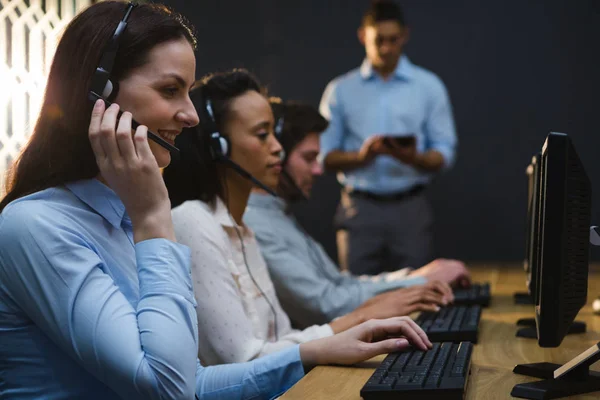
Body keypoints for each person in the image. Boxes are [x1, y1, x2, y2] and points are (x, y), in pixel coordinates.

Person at [0, 3, 431, 399]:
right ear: (99, 95)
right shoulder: (37, 225)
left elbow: (191, 380)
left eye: (188, 92)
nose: (189, 116)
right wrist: (153, 217)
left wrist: (315, 352)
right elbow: (167, 387)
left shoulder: (126, 220)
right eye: (170, 90)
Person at [163, 69, 434, 368]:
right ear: (218, 148)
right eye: (262, 135)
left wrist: (360, 324)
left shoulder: (242, 229)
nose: (277, 148)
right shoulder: (192, 222)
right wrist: (360, 318)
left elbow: (282, 336)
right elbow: (242, 360)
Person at [245, 101, 469, 328]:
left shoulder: (277, 215)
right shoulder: (256, 224)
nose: (318, 169)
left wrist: (417, 277)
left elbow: (341, 284)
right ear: (276, 156)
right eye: (309, 158)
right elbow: (327, 306)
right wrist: (421, 282)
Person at [319, 0, 458, 275]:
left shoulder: (428, 87)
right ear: (363, 36)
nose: (386, 48)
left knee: (418, 296)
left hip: (410, 210)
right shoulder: (340, 90)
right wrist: (362, 157)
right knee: (355, 300)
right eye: (378, 40)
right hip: (359, 210)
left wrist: (413, 158)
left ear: (405, 35)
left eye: (393, 40)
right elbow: (322, 156)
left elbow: (445, 152)